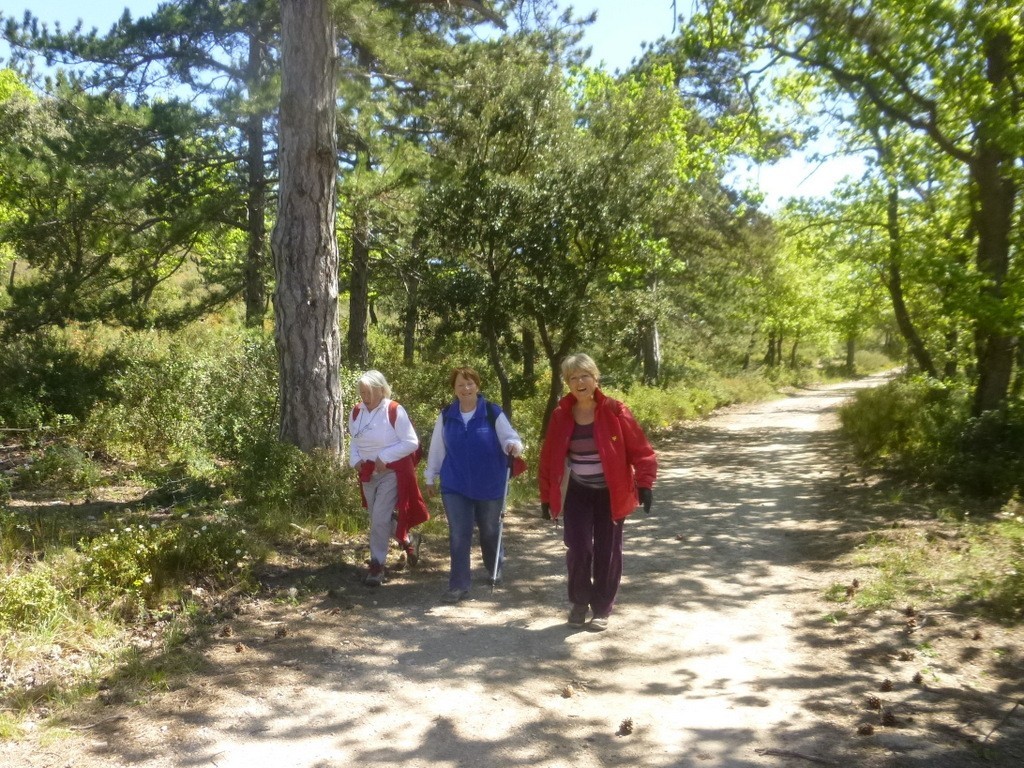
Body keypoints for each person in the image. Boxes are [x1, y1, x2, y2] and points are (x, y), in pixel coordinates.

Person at [538, 353, 656, 631]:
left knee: (608, 551)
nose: (580, 382)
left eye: (585, 376)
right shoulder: (561, 415)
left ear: (595, 378)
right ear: (567, 383)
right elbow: (549, 459)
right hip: (578, 490)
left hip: (611, 493)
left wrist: (645, 483)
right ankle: (580, 601)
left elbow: (641, 451)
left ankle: (602, 608)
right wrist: (546, 496)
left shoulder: (615, 410)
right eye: (573, 378)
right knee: (578, 548)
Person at [424, 366, 524, 604]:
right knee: (459, 534)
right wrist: (430, 476)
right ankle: (458, 585)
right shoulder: (447, 415)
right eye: (460, 385)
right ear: (454, 389)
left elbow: (512, 438)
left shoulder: (492, 412)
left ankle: (494, 565)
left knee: (489, 530)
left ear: (477, 386)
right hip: (455, 484)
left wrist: (513, 446)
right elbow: (437, 448)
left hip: (490, 483)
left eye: (470, 384)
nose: (466, 388)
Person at [348, 370, 428, 587]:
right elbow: (354, 441)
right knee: (377, 518)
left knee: (380, 518)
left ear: (381, 389)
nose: (364, 395)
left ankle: (377, 565)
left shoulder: (394, 410)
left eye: (368, 391)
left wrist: (384, 457)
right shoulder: (356, 412)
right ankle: (408, 540)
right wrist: (354, 461)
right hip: (367, 474)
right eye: (361, 391)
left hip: (390, 473)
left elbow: (411, 442)